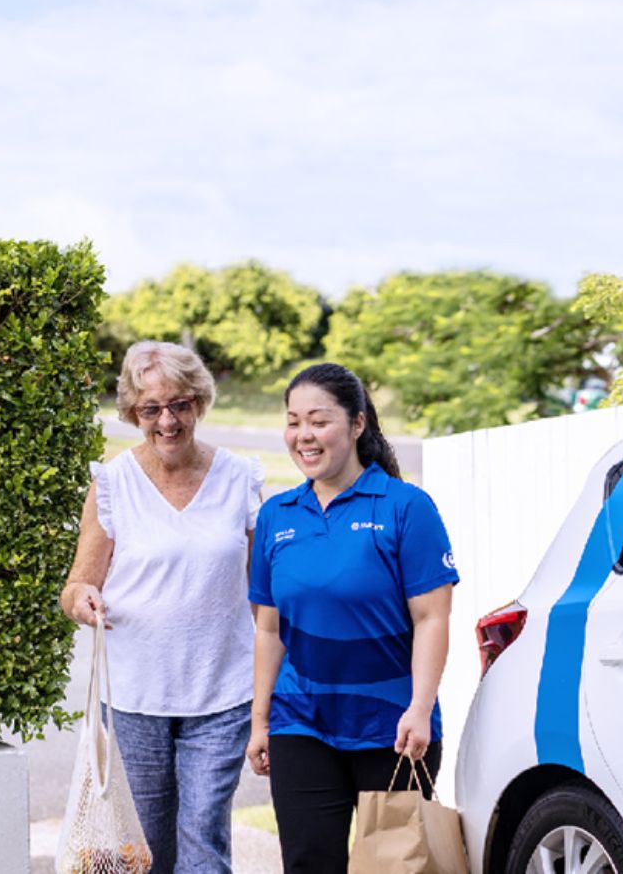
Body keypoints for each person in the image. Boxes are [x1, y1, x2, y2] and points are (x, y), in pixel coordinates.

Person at [60, 340, 263, 874]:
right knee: (145, 846)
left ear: (199, 401)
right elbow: (79, 581)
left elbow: (264, 594)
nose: (167, 421)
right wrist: (82, 599)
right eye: (151, 409)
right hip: (134, 696)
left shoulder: (240, 478)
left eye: (180, 404)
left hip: (222, 694)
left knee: (203, 837)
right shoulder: (112, 482)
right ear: (132, 413)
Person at [246, 362, 459, 873]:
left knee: (392, 866)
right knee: (308, 862)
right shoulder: (278, 514)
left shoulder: (406, 507)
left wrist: (420, 707)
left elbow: (433, 618)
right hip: (301, 720)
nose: (303, 435)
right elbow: (269, 628)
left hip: (392, 723)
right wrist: (260, 722)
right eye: (294, 421)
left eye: (319, 421)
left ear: (357, 424)